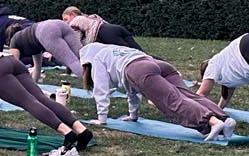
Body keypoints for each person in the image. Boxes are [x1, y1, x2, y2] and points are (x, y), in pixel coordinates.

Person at [81, 42, 235, 141]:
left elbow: (101, 90)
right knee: (189, 95)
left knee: (173, 101)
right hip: (158, 64)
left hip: (140, 69)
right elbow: (131, 89)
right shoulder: (115, 50)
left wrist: (102, 119)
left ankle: (212, 122)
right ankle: (225, 119)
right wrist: (133, 115)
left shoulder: (97, 58)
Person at [6, 19, 84, 78]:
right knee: (83, 56)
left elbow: (13, 68)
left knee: (72, 62)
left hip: (46, 31)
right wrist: (34, 89)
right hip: (58, 23)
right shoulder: (30, 39)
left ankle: (94, 83)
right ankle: (95, 73)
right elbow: (37, 68)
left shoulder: (14, 41)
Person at [62, 7, 144, 51]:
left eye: (66, 19)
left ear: (72, 14)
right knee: (140, 52)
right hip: (116, 28)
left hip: (104, 32)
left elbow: (76, 41)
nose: (65, 23)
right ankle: (156, 62)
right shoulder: (90, 17)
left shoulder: (76, 21)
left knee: (128, 53)